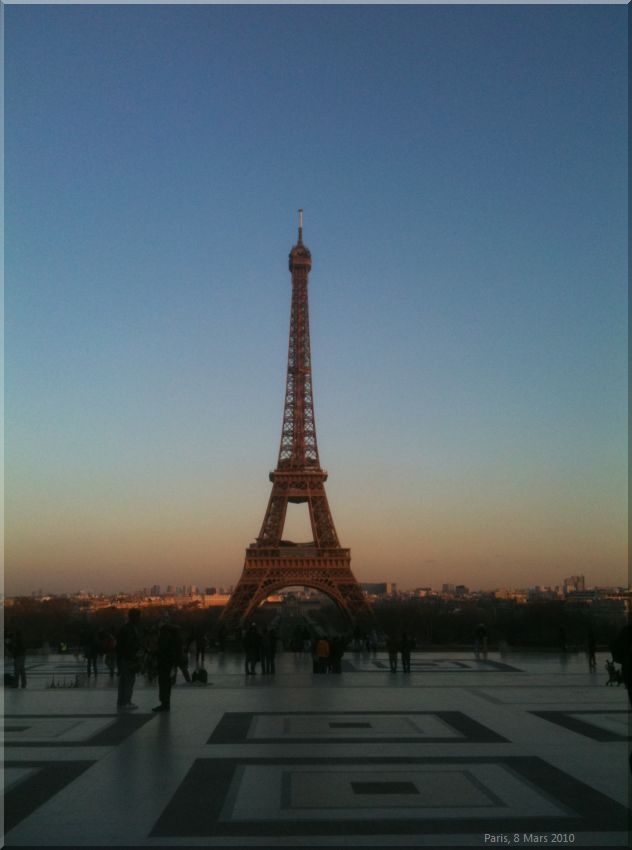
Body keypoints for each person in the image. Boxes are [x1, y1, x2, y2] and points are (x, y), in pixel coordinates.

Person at [153, 619, 183, 712]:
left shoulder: (165, 637)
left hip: (164, 663)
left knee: (163, 683)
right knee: (167, 684)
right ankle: (166, 703)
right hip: (169, 663)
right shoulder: (173, 638)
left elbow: (162, 649)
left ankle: (164, 703)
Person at [116, 608, 142, 709]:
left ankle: (122, 701)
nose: (139, 619)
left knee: (124, 681)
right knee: (128, 681)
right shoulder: (130, 629)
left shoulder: (126, 628)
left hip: (125, 658)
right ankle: (126, 702)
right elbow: (129, 645)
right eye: (138, 616)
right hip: (128, 658)